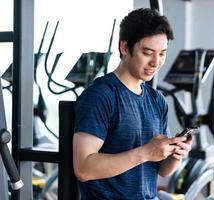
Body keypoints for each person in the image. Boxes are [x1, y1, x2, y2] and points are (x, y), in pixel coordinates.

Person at [73, 8, 192, 200]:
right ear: (125, 48)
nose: (156, 62)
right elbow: (84, 168)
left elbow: (162, 170)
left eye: (162, 53)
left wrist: (175, 154)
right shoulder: (100, 95)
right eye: (148, 53)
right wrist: (145, 152)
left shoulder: (156, 100)